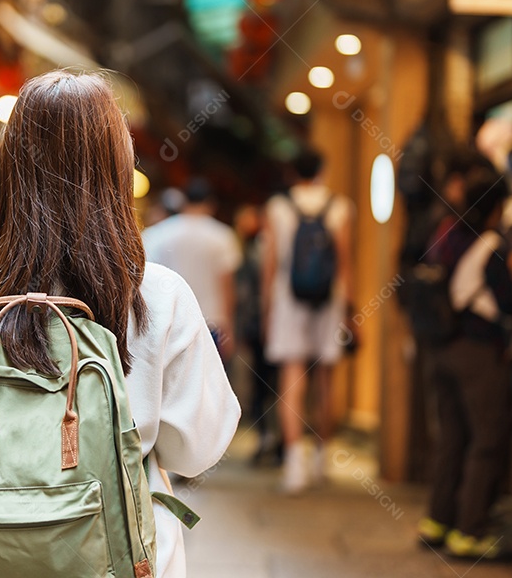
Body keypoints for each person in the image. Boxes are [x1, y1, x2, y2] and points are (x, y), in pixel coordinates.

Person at [0, 70, 240, 578]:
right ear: (118, 170)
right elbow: (197, 450)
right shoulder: (159, 294)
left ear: (9, 171)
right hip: (127, 560)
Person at [417, 173, 512, 561]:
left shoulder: (445, 235)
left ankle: (437, 522)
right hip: (476, 351)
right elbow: (508, 301)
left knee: (452, 438)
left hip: (440, 348)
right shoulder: (491, 243)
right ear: (495, 207)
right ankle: (470, 531)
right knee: (487, 440)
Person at [260, 148, 354, 493]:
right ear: (322, 171)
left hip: (288, 298)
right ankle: (322, 457)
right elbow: (345, 262)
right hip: (330, 299)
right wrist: (351, 309)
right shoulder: (340, 207)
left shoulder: (278, 208)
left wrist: (267, 307)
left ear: (292, 174)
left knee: (292, 378)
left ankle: (293, 465)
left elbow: (270, 263)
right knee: (326, 377)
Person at [142, 177, 241, 359]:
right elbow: (227, 285)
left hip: (169, 322)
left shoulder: (157, 234)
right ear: (211, 203)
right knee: (209, 384)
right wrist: (230, 327)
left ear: (184, 201)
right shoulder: (222, 236)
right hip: (212, 322)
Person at [233, 203, 282, 465]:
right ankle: (275, 441)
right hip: (276, 325)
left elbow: (248, 291)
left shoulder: (257, 248)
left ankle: (270, 439)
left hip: (265, 326)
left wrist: (258, 323)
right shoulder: (259, 245)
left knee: (264, 385)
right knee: (273, 384)